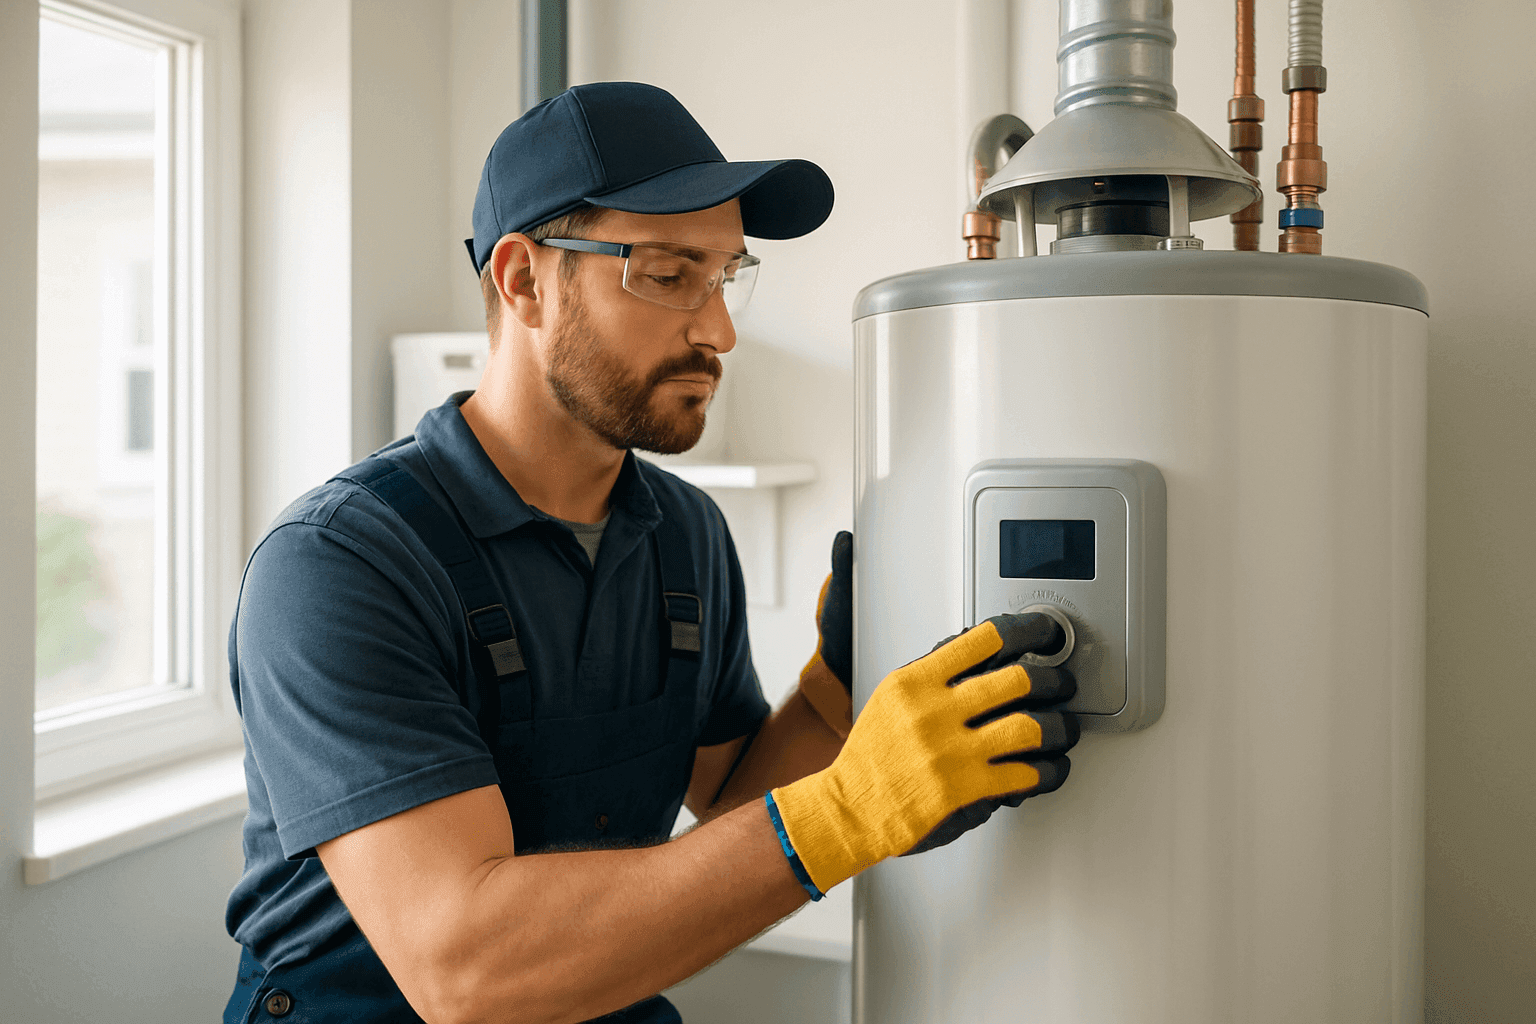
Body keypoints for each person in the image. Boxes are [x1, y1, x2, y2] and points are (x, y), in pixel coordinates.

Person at [222, 82, 1080, 1024]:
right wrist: (850, 814)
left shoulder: (684, 536)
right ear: (522, 280)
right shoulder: (342, 566)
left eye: (725, 276)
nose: (719, 331)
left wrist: (838, 690)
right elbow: (465, 970)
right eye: (669, 275)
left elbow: (731, 795)